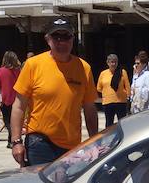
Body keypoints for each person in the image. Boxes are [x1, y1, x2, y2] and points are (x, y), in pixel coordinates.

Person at [11, 17, 99, 166]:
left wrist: (94, 141)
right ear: (48, 39)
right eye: (56, 37)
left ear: (73, 38)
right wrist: (16, 141)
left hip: (71, 145)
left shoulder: (84, 68)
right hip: (39, 142)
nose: (62, 42)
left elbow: (90, 109)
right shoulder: (33, 65)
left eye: (66, 37)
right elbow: (19, 106)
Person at [0, 51, 22, 148]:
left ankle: (12, 140)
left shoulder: (1, 71)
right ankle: (11, 141)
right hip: (17, 99)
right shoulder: (19, 71)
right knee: (14, 120)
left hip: (6, 99)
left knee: (7, 121)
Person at [95, 53, 130, 129]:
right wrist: (108, 92)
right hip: (108, 102)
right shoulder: (103, 73)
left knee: (122, 123)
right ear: (108, 63)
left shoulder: (122, 72)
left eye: (115, 62)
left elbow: (127, 86)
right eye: (111, 62)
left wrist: (128, 96)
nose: (113, 64)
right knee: (109, 124)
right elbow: (99, 88)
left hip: (120, 102)